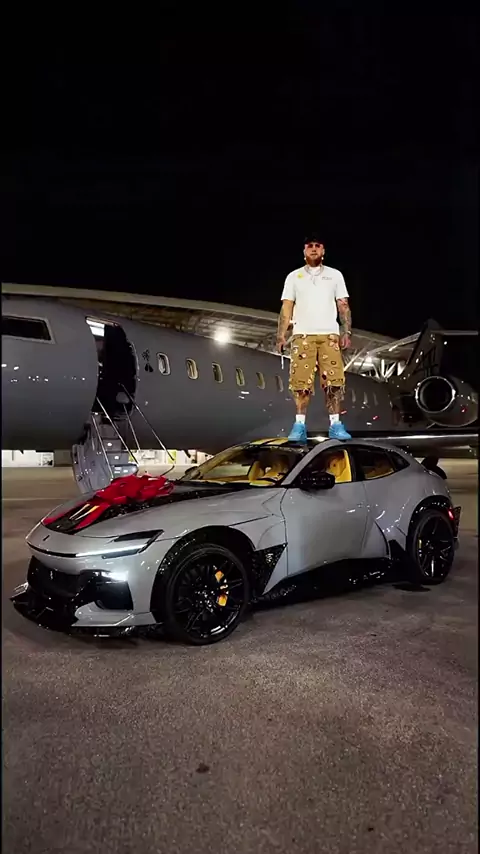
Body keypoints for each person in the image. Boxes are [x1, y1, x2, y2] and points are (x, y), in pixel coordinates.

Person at [276, 234, 352, 443]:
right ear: (304, 250)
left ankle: (335, 424)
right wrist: (281, 335)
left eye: (318, 245)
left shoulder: (335, 275)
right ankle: (299, 425)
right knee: (301, 382)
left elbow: (343, 305)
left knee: (334, 382)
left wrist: (346, 331)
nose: (313, 248)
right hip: (302, 335)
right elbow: (286, 307)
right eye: (309, 245)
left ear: (323, 250)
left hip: (329, 335)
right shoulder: (294, 277)